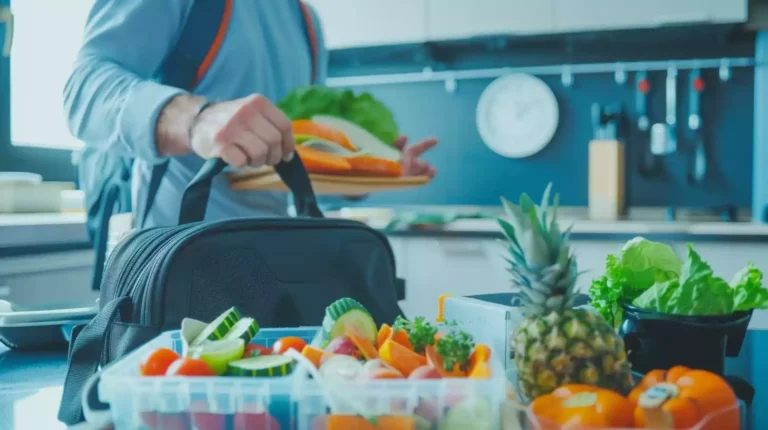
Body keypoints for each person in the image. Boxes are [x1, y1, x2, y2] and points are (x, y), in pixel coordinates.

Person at [63, 0, 437, 228]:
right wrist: (197, 119)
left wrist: (373, 171)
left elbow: (291, 161)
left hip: (276, 269)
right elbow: (83, 92)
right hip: (182, 268)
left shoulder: (306, 21)